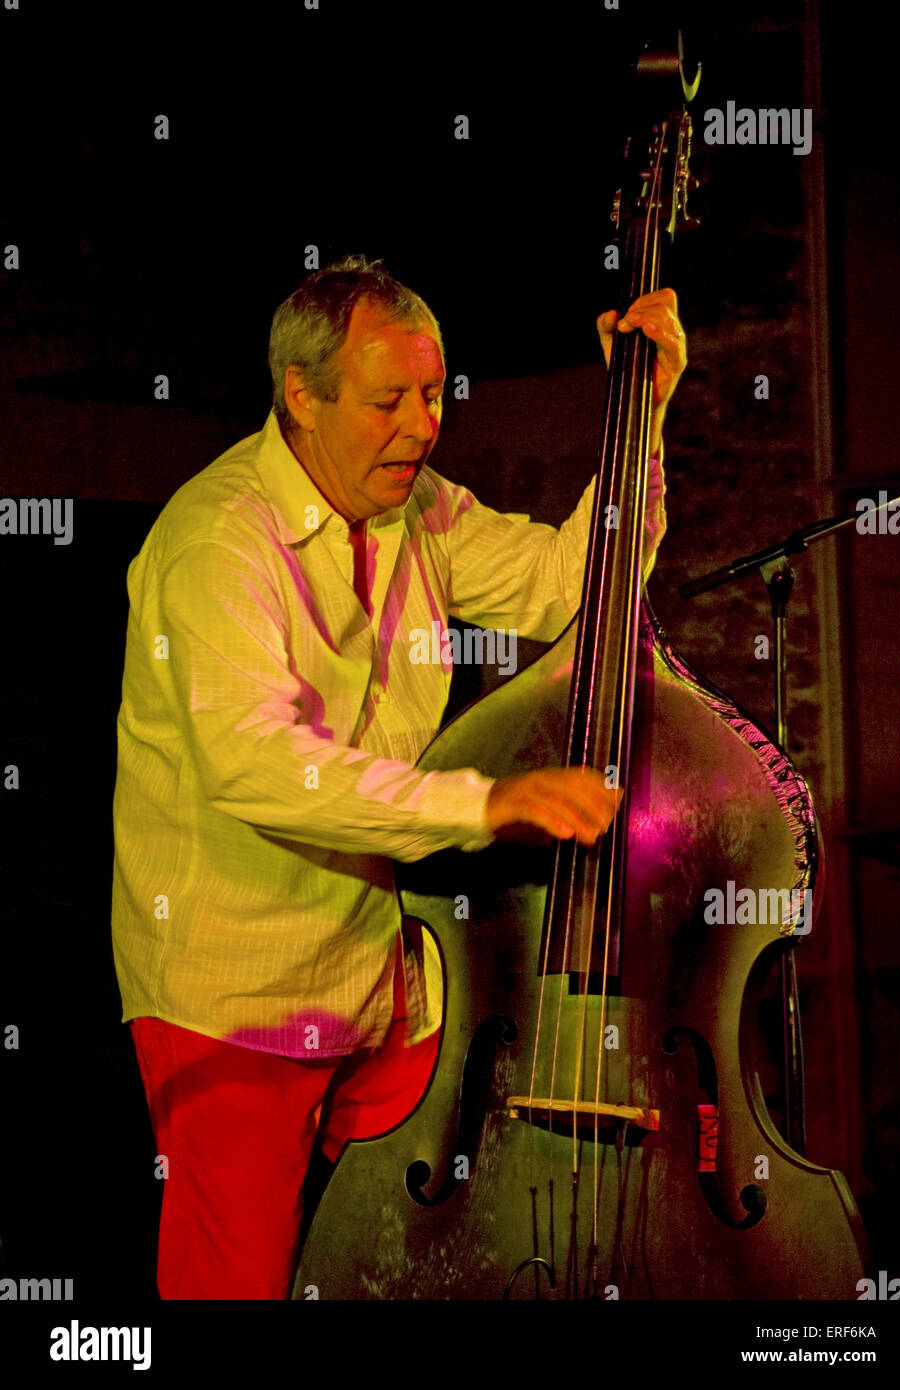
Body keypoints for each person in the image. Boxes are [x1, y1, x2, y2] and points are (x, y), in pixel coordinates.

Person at [111, 254, 686, 1300]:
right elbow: (254, 763)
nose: (423, 426)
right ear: (301, 395)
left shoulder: (420, 508)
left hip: (383, 977)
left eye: (431, 395)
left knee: (403, 1265)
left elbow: (572, 585)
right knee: (232, 1284)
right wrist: (486, 801)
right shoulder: (217, 541)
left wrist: (636, 416)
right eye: (389, 401)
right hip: (233, 992)